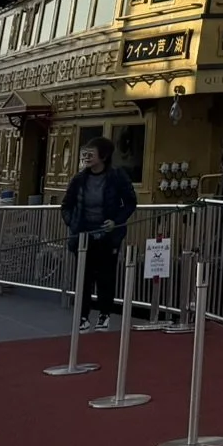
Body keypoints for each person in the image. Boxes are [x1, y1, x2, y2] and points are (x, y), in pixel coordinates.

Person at [60, 138, 137, 331]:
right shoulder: (79, 179)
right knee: (83, 277)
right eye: (84, 154)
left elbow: (130, 202)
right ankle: (82, 317)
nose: (86, 157)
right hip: (83, 235)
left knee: (106, 276)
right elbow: (66, 205)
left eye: (90, 154)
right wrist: (73, 223)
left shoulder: (117, 176)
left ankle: (104, 315)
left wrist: (116, 221)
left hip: (107, 235)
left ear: (103, 156)